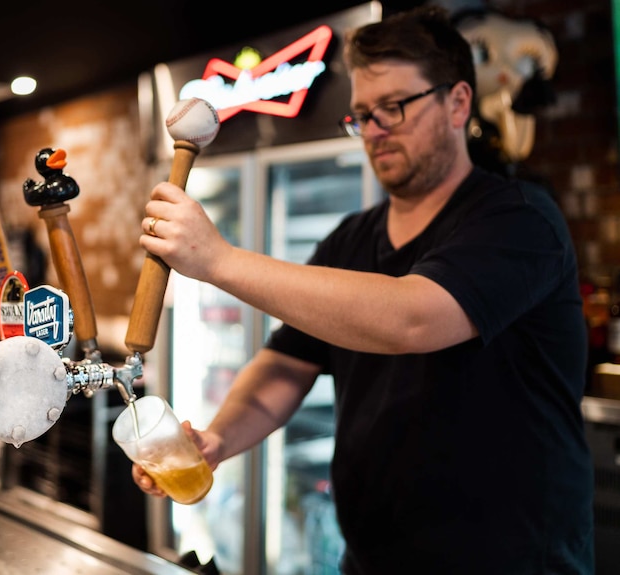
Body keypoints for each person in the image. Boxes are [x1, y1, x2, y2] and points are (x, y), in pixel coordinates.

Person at [133, 5, 594, 574]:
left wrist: (219, 260)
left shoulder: (519, 220)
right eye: (361, 116)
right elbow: (285, 365)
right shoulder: (351, 239)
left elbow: (413, 318)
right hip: (372, 559)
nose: (374, 131)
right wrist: (218, 440)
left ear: (458, 102)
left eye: (393, 109)